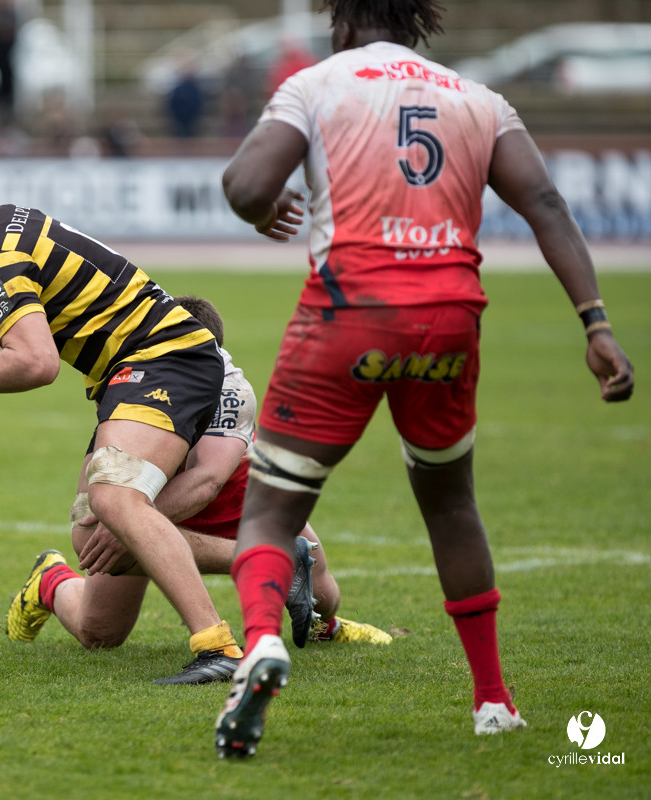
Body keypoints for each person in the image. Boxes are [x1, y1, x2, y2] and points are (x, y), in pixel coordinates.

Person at [213, 0, 635, 759]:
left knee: (272, 513)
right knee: (450, 502)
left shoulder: (318, 84)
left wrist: (264, 207)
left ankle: (263, 646)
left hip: (348, 316)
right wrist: (595, 324)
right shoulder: (476, 98)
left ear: (339, 19)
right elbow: (544, 203)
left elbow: (245, 185)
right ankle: (494, 700)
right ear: (418, 22)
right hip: (448, 323)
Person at [0, 156, 245, 684]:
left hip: (164, 358)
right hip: (134, 372)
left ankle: (218, 646)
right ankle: (52, 582)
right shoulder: (5, 227)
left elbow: (37, 362)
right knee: (94, 554)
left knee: (114, 498)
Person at [5, 296, 391, 683]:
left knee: (323, 596)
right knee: (99, 633)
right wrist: (118, 520)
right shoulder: (132, 372)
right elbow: (89, 507)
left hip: (232, 494)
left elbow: (208, 481)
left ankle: (327, 625)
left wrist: (130, 525)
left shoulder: (231, 388)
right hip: (152, 498)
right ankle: (51, 580)